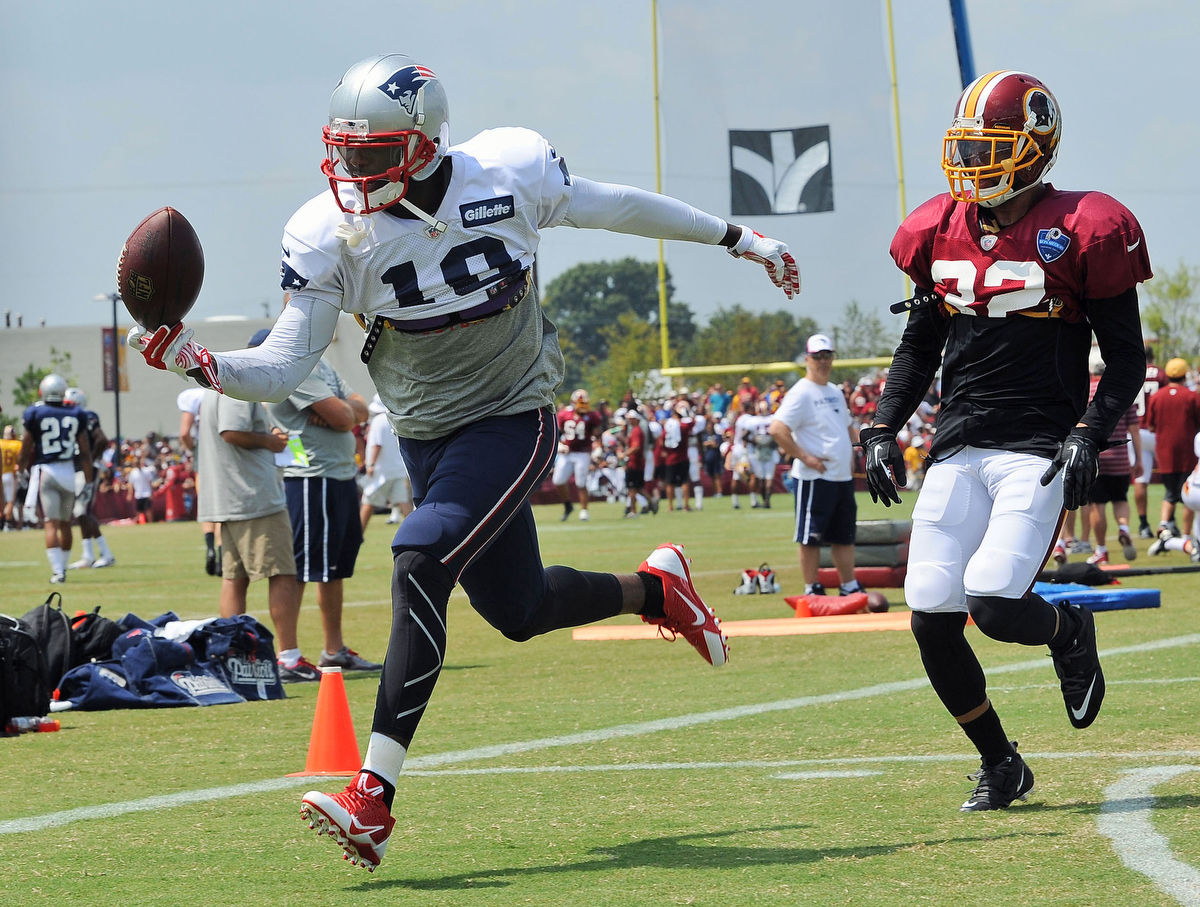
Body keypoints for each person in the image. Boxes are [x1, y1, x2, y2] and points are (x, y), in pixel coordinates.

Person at [128, 53, 793, 871]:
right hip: (426, 437)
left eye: (371, 155)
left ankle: (372, 798)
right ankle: (655, 587)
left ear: (427, 145)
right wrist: (202, 362)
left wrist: (739, 237)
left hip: (513, 415)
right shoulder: (328, 233)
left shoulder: (507, 172)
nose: (350, 171)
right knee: (517, 609)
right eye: (343, 151)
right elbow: (283, 365)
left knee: (417, 557)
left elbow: (615, 204)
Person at [858, 71, 1149, 812]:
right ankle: (1002, 763)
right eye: (970, 146)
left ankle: (1066, 627)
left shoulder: (1086, 225)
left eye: (992, 146)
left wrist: (1090, 430)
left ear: (1034, 148)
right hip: (960, 442)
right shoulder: (938, 228)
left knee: (991, 599)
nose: (975, 164)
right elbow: (919, 346)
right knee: (928, 613)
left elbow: (1125, 363)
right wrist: (883, 426)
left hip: (1040, 444)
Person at [255, 328, 381, 673]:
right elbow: (344, 417)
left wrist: (342, 411)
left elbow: (360, 408)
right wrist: (342, 412)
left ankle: (334, 650)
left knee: (333, 570)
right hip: (311, 478)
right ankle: (289, 657)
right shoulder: (292, 365)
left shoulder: (319, 363)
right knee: (299, 569)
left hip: (337, 476)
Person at [195, 384, 316, 683]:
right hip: (253, 496)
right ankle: (288, 657)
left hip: (233, 496)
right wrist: (270, 441)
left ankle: (232, 656)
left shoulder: (215, 386)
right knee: (283, 573)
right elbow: (232, 431)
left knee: (234, 579)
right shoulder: (238, 387)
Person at [769, 333, 862, 597]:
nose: (823, 362)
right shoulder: (801, 392)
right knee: (810, 536)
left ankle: (848, 585)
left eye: (827, 356)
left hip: (841, 476)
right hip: (814, 477)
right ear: (808, 359)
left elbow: (848, 427)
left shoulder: (833, 391)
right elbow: (777, 429)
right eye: (818, 357)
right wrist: (805, 457)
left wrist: (868, 446)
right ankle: (812, 587)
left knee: (844, 535)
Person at [19, 374, 92, 583]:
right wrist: (87, 481)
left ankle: (58, 571)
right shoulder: (76, 413)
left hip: (47, 473)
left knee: (50, 524)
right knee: (65, 524)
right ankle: (64, 568)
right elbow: (85, 452)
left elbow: (26, 448)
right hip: (69, 473)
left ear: (42, 391)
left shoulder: (35, 412)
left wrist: (21, 469)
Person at [1080, 353, 1141, 566]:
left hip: (1096, 454)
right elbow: (1134, 430)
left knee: (1098, 504)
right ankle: (1124, 528)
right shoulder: (1123, 394)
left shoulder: (1085, 392)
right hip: (1121, 456)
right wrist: (1139, 459)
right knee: (1121, 499)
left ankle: (1101, 550)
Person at [1143, 357, 1200, 540]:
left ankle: (1163, 525)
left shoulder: (1157, 397)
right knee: (1187, 495)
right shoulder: (1192, 396)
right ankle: (1185, 536)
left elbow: (1150, 426)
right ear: (1184, 375)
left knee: (1170, 492)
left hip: (1165, 452)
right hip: (1187, 453)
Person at [62, 387, 117, 568]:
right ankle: (87, 555)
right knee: (80, 513)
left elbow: (102, 439)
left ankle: (106, 554)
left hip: (87, 470)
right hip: (77, 469)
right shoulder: (71, 418)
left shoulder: (87, 416)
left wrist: (90, 461)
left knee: (83, 512)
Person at [180, 385, 222, 574]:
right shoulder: (227, 392)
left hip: (203, 452)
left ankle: (210, 547)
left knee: (207, 505)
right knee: (223, 508)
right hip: (223, 450)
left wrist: (192, 450)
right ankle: (222, 554)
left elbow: (184, 432)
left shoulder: (193, 397)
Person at [360, 394, 413, 530]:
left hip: (381, 470)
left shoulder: (378, 421)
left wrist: (370, 464)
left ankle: (357, 535)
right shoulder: (395, 419)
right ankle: (414, 529)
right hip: (397, 468)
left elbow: (377, 444)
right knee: (404, 502)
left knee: (369, 501)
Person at [552, 388, 603, 521]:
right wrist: (560, 444)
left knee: (581, 483)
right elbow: (557, 432)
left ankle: (584, 510)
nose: (582, 405)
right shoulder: (564, 414)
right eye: (580, 402)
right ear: (573, 402)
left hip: (582, 453)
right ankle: (568, 505)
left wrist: (598, 446)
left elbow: (597, 433)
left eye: (584, 402)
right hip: (567, 453)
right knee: (558, 481)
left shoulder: (592, 415)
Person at [1133, 343, 1165, 538]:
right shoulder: (1161, 374)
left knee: (1140, 479)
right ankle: (1167, 521)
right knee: (1171, 476)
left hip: (1136, 431)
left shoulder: (1132, 370)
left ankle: (1143, 524)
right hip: (1157, 430)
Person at [1, 425, 22, 530]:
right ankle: (7, 523)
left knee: (2, 500)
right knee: (10, 501)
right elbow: (20, 461)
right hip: (10, 475)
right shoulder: (17, 444)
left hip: (1, 473)